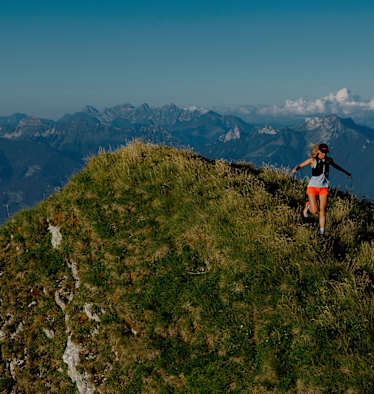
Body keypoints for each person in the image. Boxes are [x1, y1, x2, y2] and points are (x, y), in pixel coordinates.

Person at [292, 143, 352, 236]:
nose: (324, 154)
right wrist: (297, 168)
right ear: (319, 151)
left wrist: (346, 173)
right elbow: (302, 165)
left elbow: (336, 166)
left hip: (324, 187)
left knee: (322, 210)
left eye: (326, 152)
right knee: (315, 211)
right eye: (323, 152)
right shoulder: (312, 160)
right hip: (312, 187)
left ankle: (322, 233)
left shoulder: (329, 160)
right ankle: (308, 206)